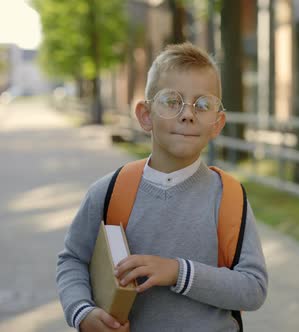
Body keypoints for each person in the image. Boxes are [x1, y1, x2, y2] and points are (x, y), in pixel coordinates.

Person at [56, 42, 268, 331]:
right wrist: (82, 312)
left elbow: (253, 288)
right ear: (145, 115)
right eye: (172, 101)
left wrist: (178, 272)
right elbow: (73, 260)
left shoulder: (229, 198)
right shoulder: (107, 192)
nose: (188, 114)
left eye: (203, 105)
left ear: (217, 124)